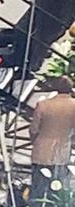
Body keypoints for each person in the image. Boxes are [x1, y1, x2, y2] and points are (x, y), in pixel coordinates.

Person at [29, 76, 75, 204]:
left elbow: (34, 129)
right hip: (62, 151)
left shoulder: (43, 105)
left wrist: (35, 141)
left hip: (41, 151)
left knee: (38, 187)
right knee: (58, 188)